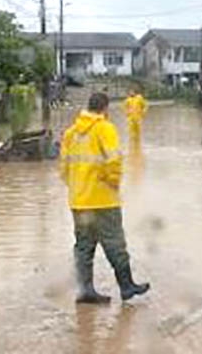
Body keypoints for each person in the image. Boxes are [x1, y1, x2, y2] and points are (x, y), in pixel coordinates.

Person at [59, 92, 151, 304]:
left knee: (83, 246)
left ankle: (85, 291)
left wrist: (76, 188)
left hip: (78, 201)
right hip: (103, 200)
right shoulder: (105, 128)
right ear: (105, 108)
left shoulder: (71, 133)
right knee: (115, 242)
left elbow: (63, 168)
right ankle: (126, 286)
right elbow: (114, 161)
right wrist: (113, 183)